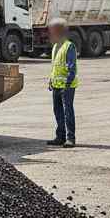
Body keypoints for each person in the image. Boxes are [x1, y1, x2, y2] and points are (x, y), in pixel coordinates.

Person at [46, 17, 78, 148]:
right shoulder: (55, 47)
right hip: (56, 85)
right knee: (58, 111)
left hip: (67, 86)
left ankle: (70, 138)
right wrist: (51, 80)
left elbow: (72, 67)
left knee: (67, 112)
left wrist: (67, 84)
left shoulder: (69, 46)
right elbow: (55, 65)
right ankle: (60, 136)